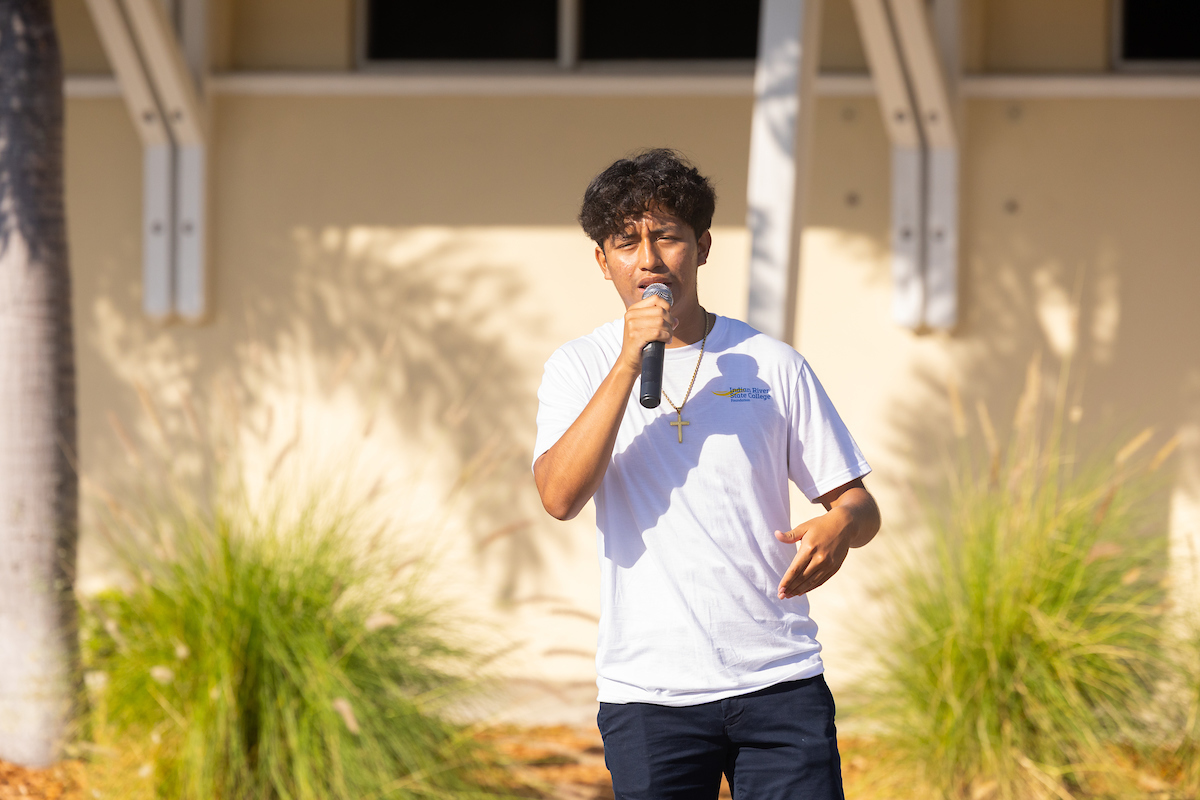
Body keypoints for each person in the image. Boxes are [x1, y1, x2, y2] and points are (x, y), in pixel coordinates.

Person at [532, 149, 881, 800]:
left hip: (778, 681)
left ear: (703, 246)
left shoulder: (771, 364)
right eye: (626, 242)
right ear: (602, 260)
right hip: (649, 695)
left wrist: (840, 525)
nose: (649, 260)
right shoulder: (578, 366)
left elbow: (859, 504)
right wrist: (629, 361)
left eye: (667, 236)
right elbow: (558, 496)